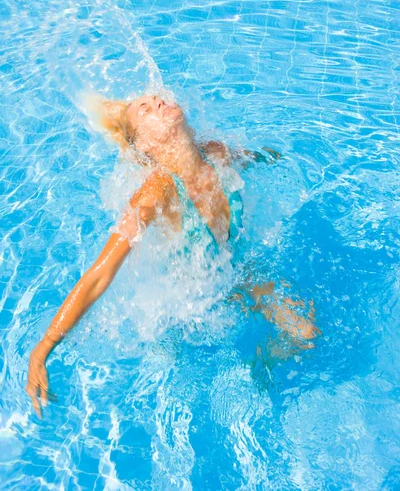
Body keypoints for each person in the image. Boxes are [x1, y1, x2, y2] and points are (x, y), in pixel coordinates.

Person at [26, 93, 321, 417]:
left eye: (157, 98)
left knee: (304, 332)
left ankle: (260, 364)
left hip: (237, 270)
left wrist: (273, 156)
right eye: (145, 109)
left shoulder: (216, 153)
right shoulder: (156, 192)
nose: (157, 101)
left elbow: (249, 157)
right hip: (189, 294)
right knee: (166, 369)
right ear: (145, 145)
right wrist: (43, 348)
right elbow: (100, 274)